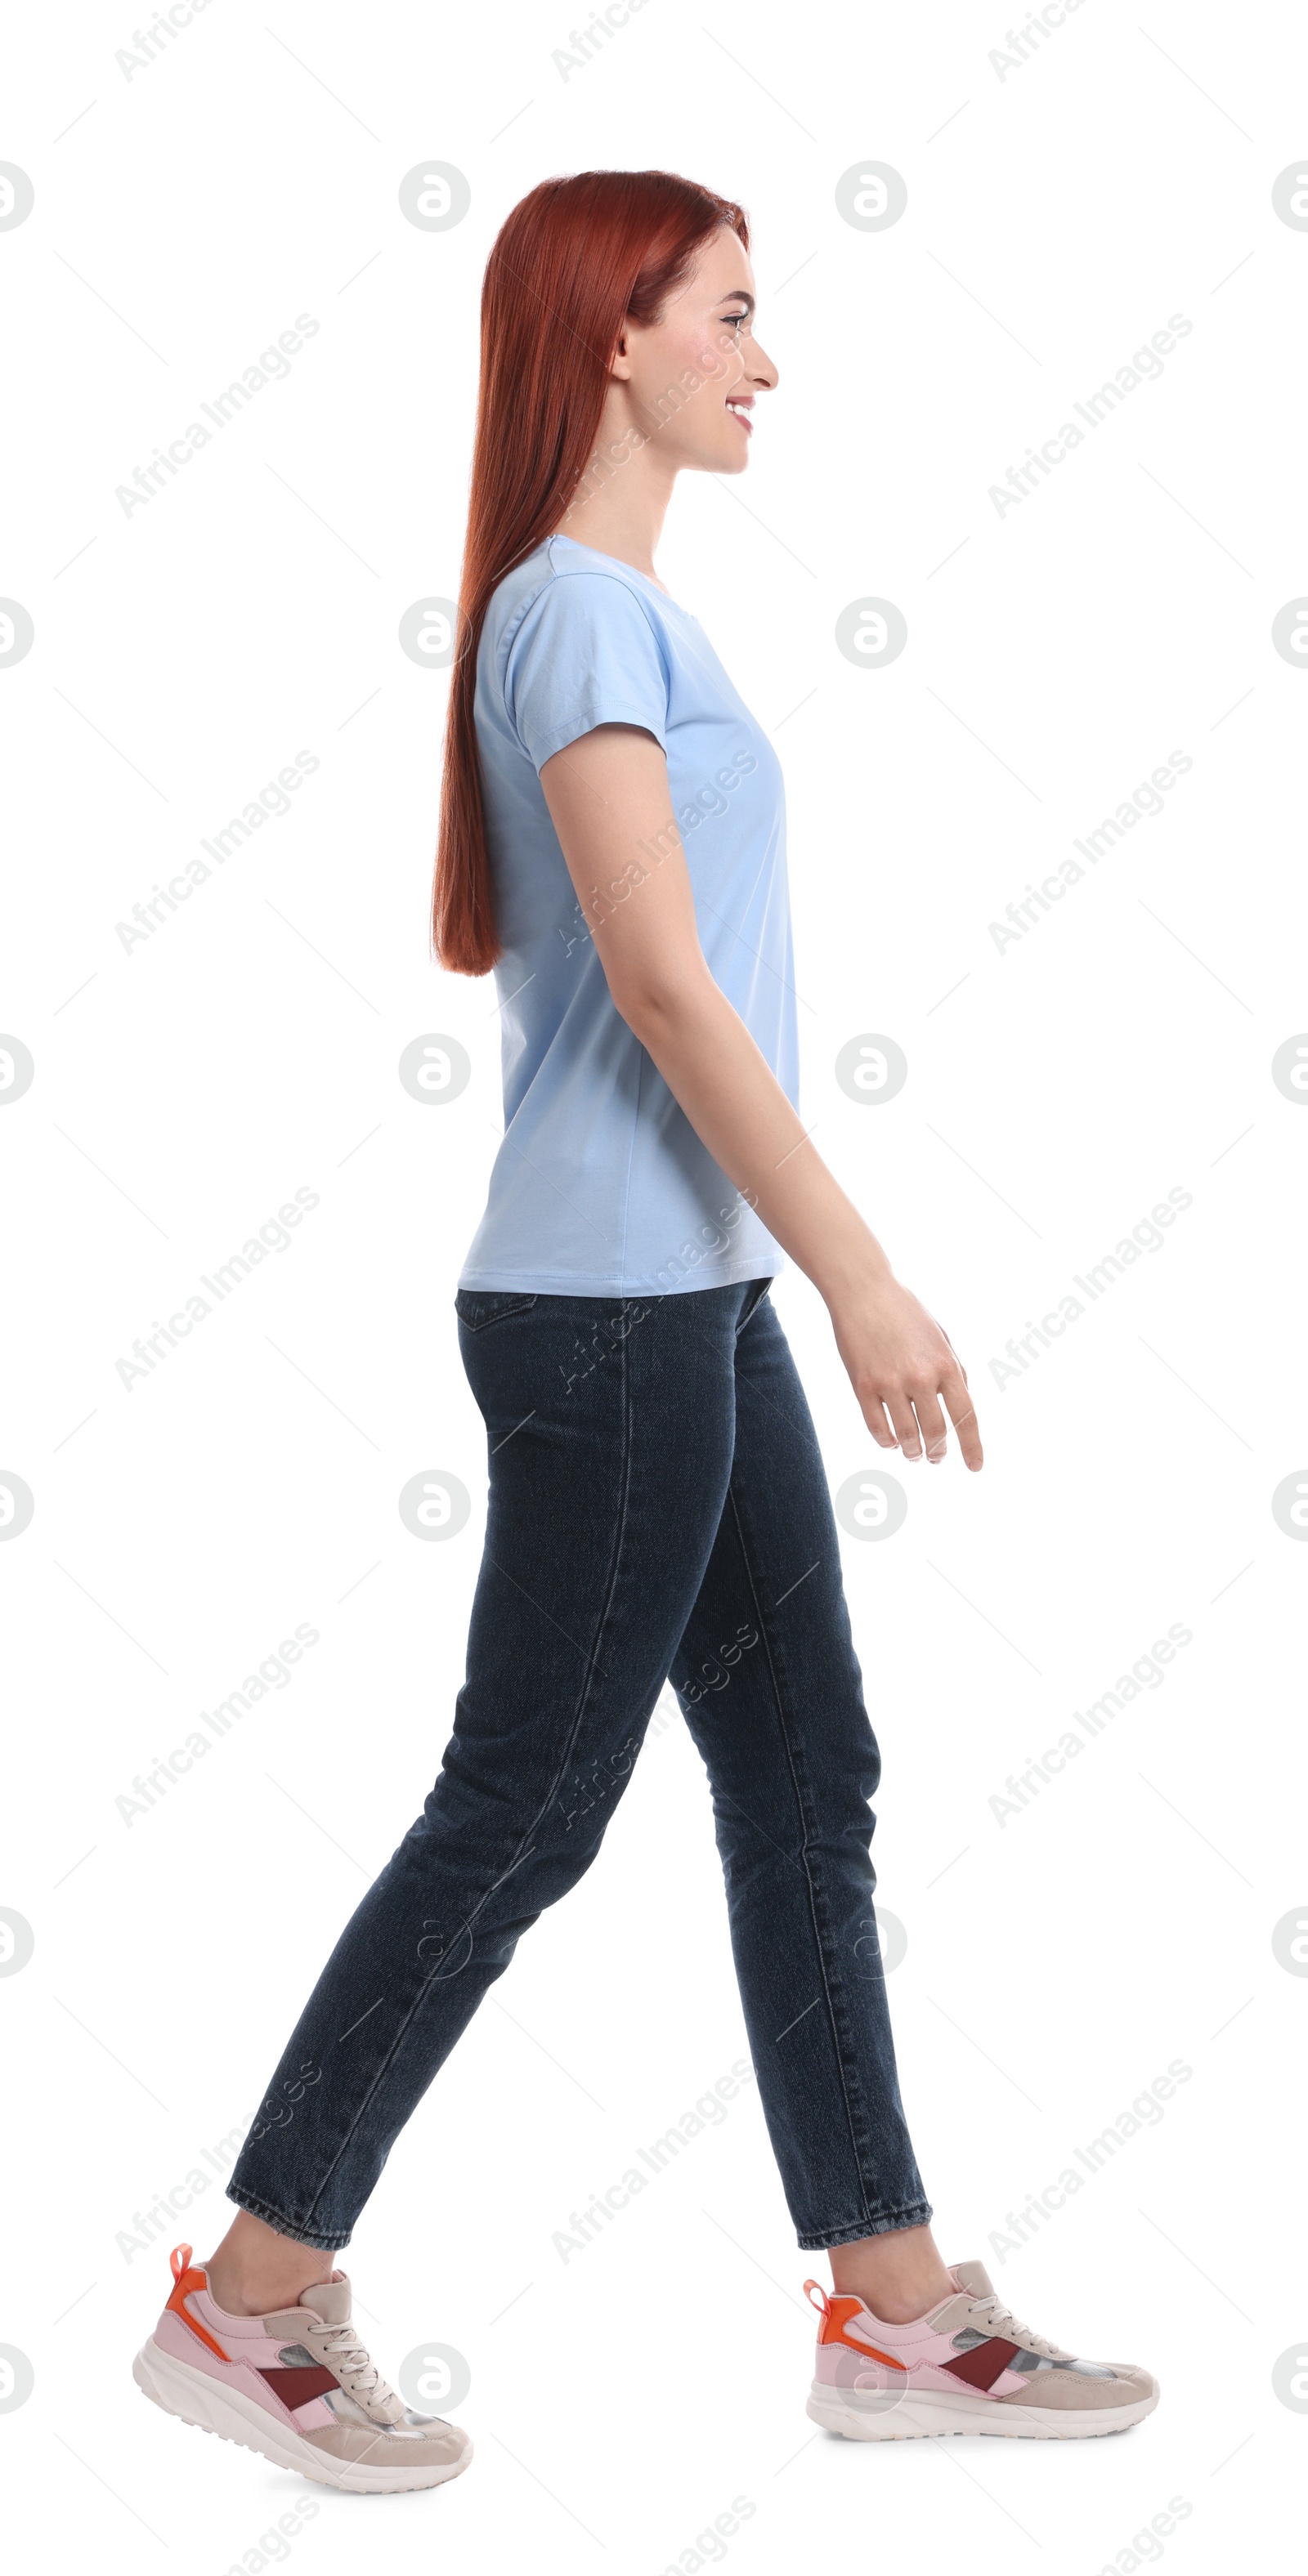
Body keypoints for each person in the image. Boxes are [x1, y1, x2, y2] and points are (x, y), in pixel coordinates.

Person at [132, 168, 1158, 2492]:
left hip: (678, 1302)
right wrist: (867, 1271)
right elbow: (676, 997)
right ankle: (253, 2296)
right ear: (617, 335)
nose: (767, 359)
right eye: (733, 314)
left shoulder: (610, 614)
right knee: (527, 1805)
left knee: (808, 1777)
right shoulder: (581, 620)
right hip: (613, 1315)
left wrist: (781, 1284)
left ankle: (893, 2316)